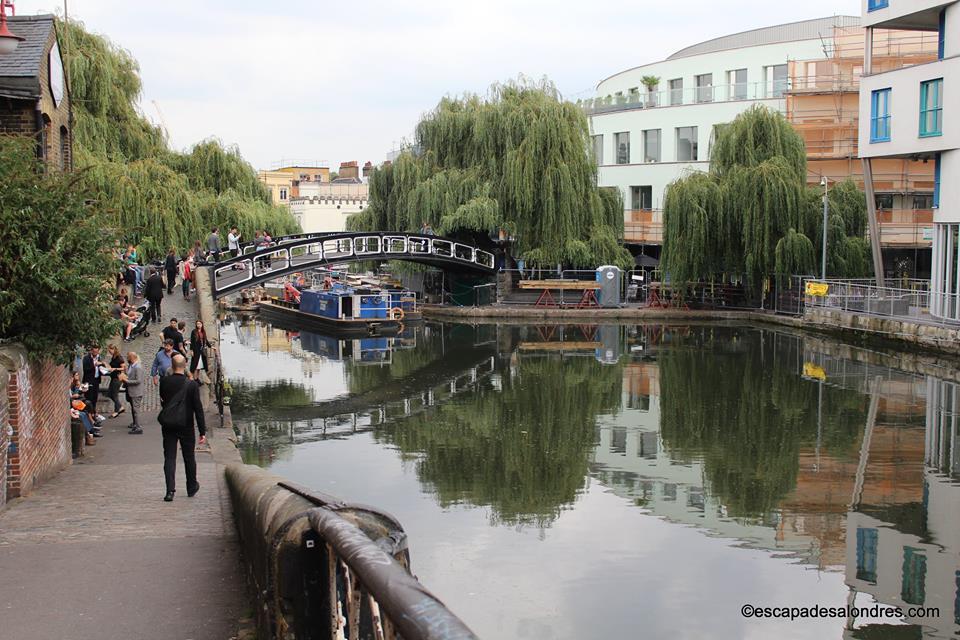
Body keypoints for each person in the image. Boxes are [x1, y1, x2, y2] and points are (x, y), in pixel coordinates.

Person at [158, 354, 207, 501]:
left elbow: (163, 401)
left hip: (168, 424)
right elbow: (198, 408)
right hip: (186, 425)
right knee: (189, 457)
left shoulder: (164, 382)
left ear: (171, 366)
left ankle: (170, 491)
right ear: (185, 366)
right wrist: (202, 431)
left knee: (170, 457)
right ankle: (191, 486)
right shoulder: (191, 385)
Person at [121, 351, 144, 434]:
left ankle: (138, 427)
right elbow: (130, 375)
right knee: (133, 409)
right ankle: (135, 423)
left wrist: (126, 381)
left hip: (136, 392)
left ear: (131, 357)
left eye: (128, 356)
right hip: (131, 391)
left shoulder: (138, 367)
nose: (127, 358)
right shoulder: (131, 366)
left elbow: (138, 380)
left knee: (136, 410)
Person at [105, 344, 126, 419]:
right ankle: (119, 408)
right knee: (110, 394)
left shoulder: (119, 357)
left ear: (114, 349)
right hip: (113, 378)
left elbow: (123, 368)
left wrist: (115, 369)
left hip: (117, 378)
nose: (109, 352)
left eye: (110, 350)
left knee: (114, 394)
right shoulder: (114, 357)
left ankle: (117, 411)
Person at [81, 345, 103, 414]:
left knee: (95, 397)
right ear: (91, 351)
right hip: (89, 380)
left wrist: (102, 366)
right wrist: (94, 365)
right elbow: (86, 369)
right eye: (94, 352)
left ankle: (94, 412)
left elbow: (101, 368)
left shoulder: (99, 357)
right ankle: (90, 413)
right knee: (89, 398)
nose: (95, 353)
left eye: (96, 352)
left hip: (96, 380)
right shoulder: (86, 358)